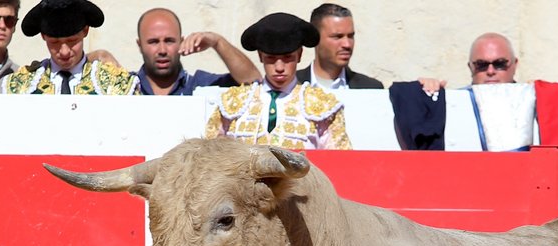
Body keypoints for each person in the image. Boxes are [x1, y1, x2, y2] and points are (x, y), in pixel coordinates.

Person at [205, 12, 351, 150]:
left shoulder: (323, 105)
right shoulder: (233, 102)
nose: (279, 67)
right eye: (271, 58)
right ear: (260, 56)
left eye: (288, 58)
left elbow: (339, 160)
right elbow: (210, 157)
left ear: (299, 55)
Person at [2, 0, 137, 95]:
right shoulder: (21, 85)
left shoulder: (115, 83)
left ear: (85, 31)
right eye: (54, 42)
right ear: (43, 36)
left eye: (72, 41)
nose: (64, 51)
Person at [135, 7, 258, 96]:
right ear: (140, 45)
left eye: (169, 41)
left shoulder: (202, 87)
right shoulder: (125, 88)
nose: (162, 50)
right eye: (153, 42)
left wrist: (217, 42)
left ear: (181, 41)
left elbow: (254, 82)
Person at [296, 4, 382, 90]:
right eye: (337, 37)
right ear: (315, 38)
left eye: (350, 36)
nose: (347, 44)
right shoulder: (290, 87)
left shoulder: (371, 89)